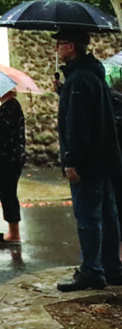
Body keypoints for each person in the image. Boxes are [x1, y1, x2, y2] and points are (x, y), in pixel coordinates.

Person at [53, 29, 122, 291]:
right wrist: (64, 93)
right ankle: (111, 267)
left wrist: (71, 160)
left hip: (88, 162)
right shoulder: (92, 74)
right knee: (108, 213)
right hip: (105, 158)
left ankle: (91, 270)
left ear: (70, 46)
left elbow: (78, 124)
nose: (56, 50)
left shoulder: (79, 79)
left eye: (59, 44)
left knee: (88, 217)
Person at [0, 89, 26, 245]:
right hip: (8, 157)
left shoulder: (10, 106)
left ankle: (14, 233)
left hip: (7, 158)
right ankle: (13, 231)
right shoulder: (8, 106)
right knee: (7, 193)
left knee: (7, 193)